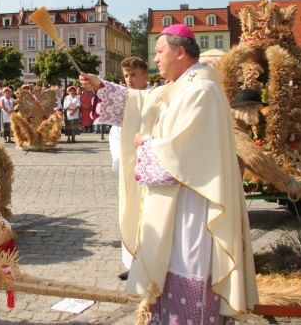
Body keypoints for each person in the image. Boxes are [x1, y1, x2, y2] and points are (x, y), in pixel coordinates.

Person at [80, 24, 257, 323]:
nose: (156, 59)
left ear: (180, 51)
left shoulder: (202, 91)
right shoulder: (182, 87)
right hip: (176, 202)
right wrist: (101, 87)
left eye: (160, 52)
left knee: (189, 264)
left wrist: (145, 144)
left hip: (194, 204)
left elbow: (183, 153)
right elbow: (141, 102)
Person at [108, 56, 150, 281]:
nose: (130, 80)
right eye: (126, 76)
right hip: (129, 167)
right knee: (129, 212)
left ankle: (150, 263)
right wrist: (122, 159)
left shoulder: (155, 97)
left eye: (134, 75)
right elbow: (115, 133)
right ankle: (132, 261)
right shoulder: (124, 101)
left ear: (145, 75)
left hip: (151, 167)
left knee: (148, 216)